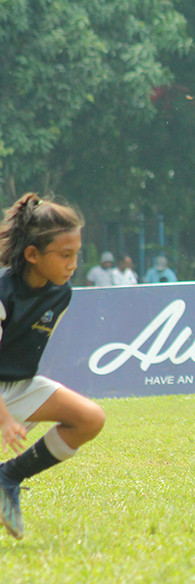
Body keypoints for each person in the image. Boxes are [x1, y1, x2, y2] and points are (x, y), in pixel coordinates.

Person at [0, 194, 106, 540]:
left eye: (76, 254)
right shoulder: (3, 291)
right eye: (64, 255)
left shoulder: (60, 293)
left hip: (17, 384)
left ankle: (8, 477)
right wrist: (4, 417)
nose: (73, 264)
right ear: (32, 255)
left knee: (90, 419)